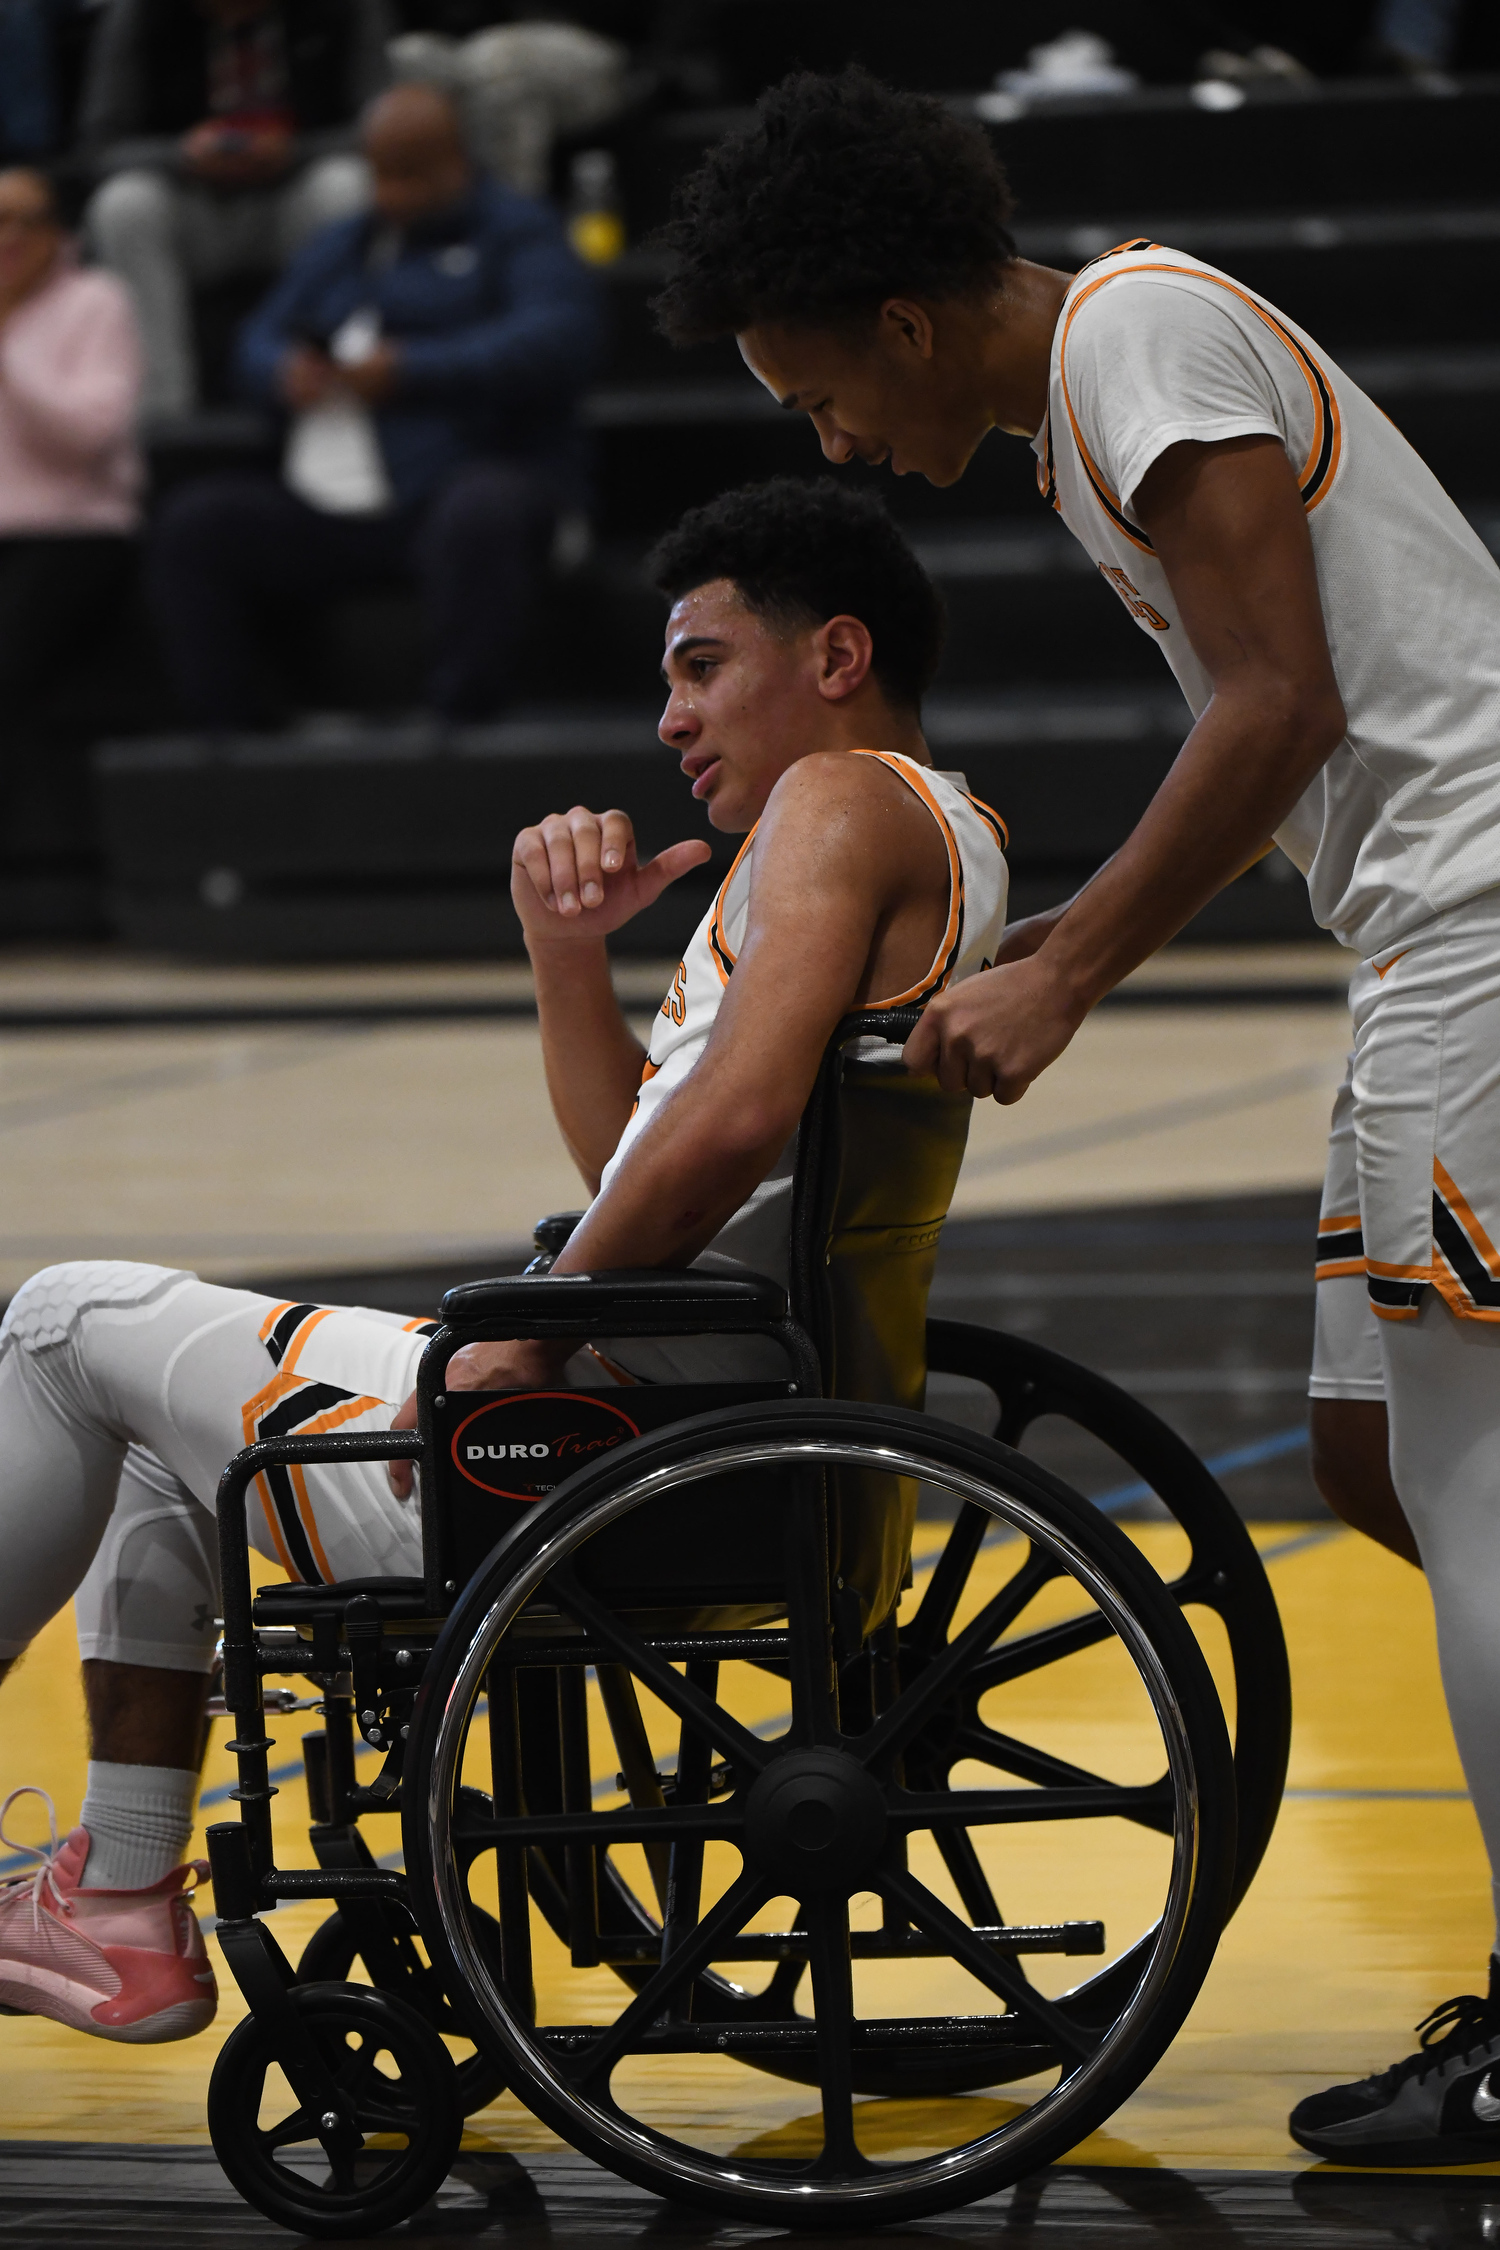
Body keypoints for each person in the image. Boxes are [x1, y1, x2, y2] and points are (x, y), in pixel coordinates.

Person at [651, 63, 1500, 2165]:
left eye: (819, 392)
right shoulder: (1091, 407)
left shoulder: (1132, 336)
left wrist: (1069, 963)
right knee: (1377, 1460)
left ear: (908, 326)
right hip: (1420, 933)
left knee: (1480, 1492)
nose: (831, 442)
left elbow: (1281, 702)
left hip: (1481, 911)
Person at [0, 473, 1007, 2042]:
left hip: (594, 1444)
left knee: (60, 1321)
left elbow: (727, 1128)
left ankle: (121, 1899)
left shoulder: (843, 802)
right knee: (149, 1430)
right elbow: (643, 1167)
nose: (668, 716)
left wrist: (528, 1340)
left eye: (699, 664)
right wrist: (565, 959)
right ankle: (117, 1900)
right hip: (694, 1411)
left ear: (837, 657)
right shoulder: (936, 828)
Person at [145, 81, 602, 728]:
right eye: (382, 176)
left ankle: (457, 730)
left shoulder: (520, 232)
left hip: (471, 477)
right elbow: (256, 339)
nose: (393, 195)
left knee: (480, 512)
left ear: (457, 162)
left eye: (412, 176)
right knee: (197, 526)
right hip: (340, 499)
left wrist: (411, 370)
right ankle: (245, 743)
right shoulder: (346, 243)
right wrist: (284, 371)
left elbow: (558, 340)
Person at [80, 0, 389, 416]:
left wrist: (295, 151)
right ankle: (162, 417)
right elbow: (99, 147)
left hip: (296, 197)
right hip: (192, 204)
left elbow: (384, 131)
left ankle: (340, 396)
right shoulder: (139, 12)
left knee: (347, 187)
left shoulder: (345, 9)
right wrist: (181, 155)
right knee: (123, 205)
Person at [0, 166, 142, 853]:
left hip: (74, 533)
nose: (8, 239)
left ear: (57, 233)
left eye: (23, 222)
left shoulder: (96, 301)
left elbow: (88, 436)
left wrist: (5, 355)